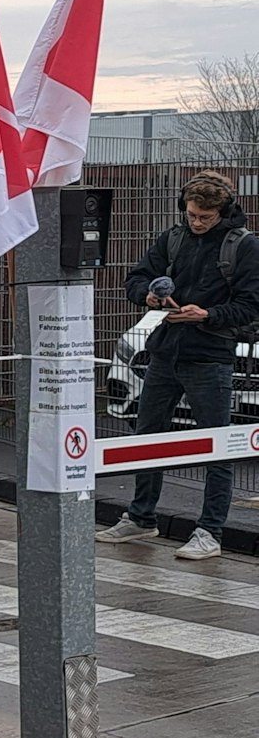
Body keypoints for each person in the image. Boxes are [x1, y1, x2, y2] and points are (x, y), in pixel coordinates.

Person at [98, 170, 259, 561]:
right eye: (192, 215)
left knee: (215, 446)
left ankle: (210, 531)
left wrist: (207, 314)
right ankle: (141, 516)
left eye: (206, 217)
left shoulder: (244, 246)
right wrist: (149, 298)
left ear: (224, 211)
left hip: (210, 355)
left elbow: (251, 306)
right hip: (165, 352)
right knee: (147, 438)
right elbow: (135, 278)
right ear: (183, 208)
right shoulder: (172, 237)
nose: (198, 222)